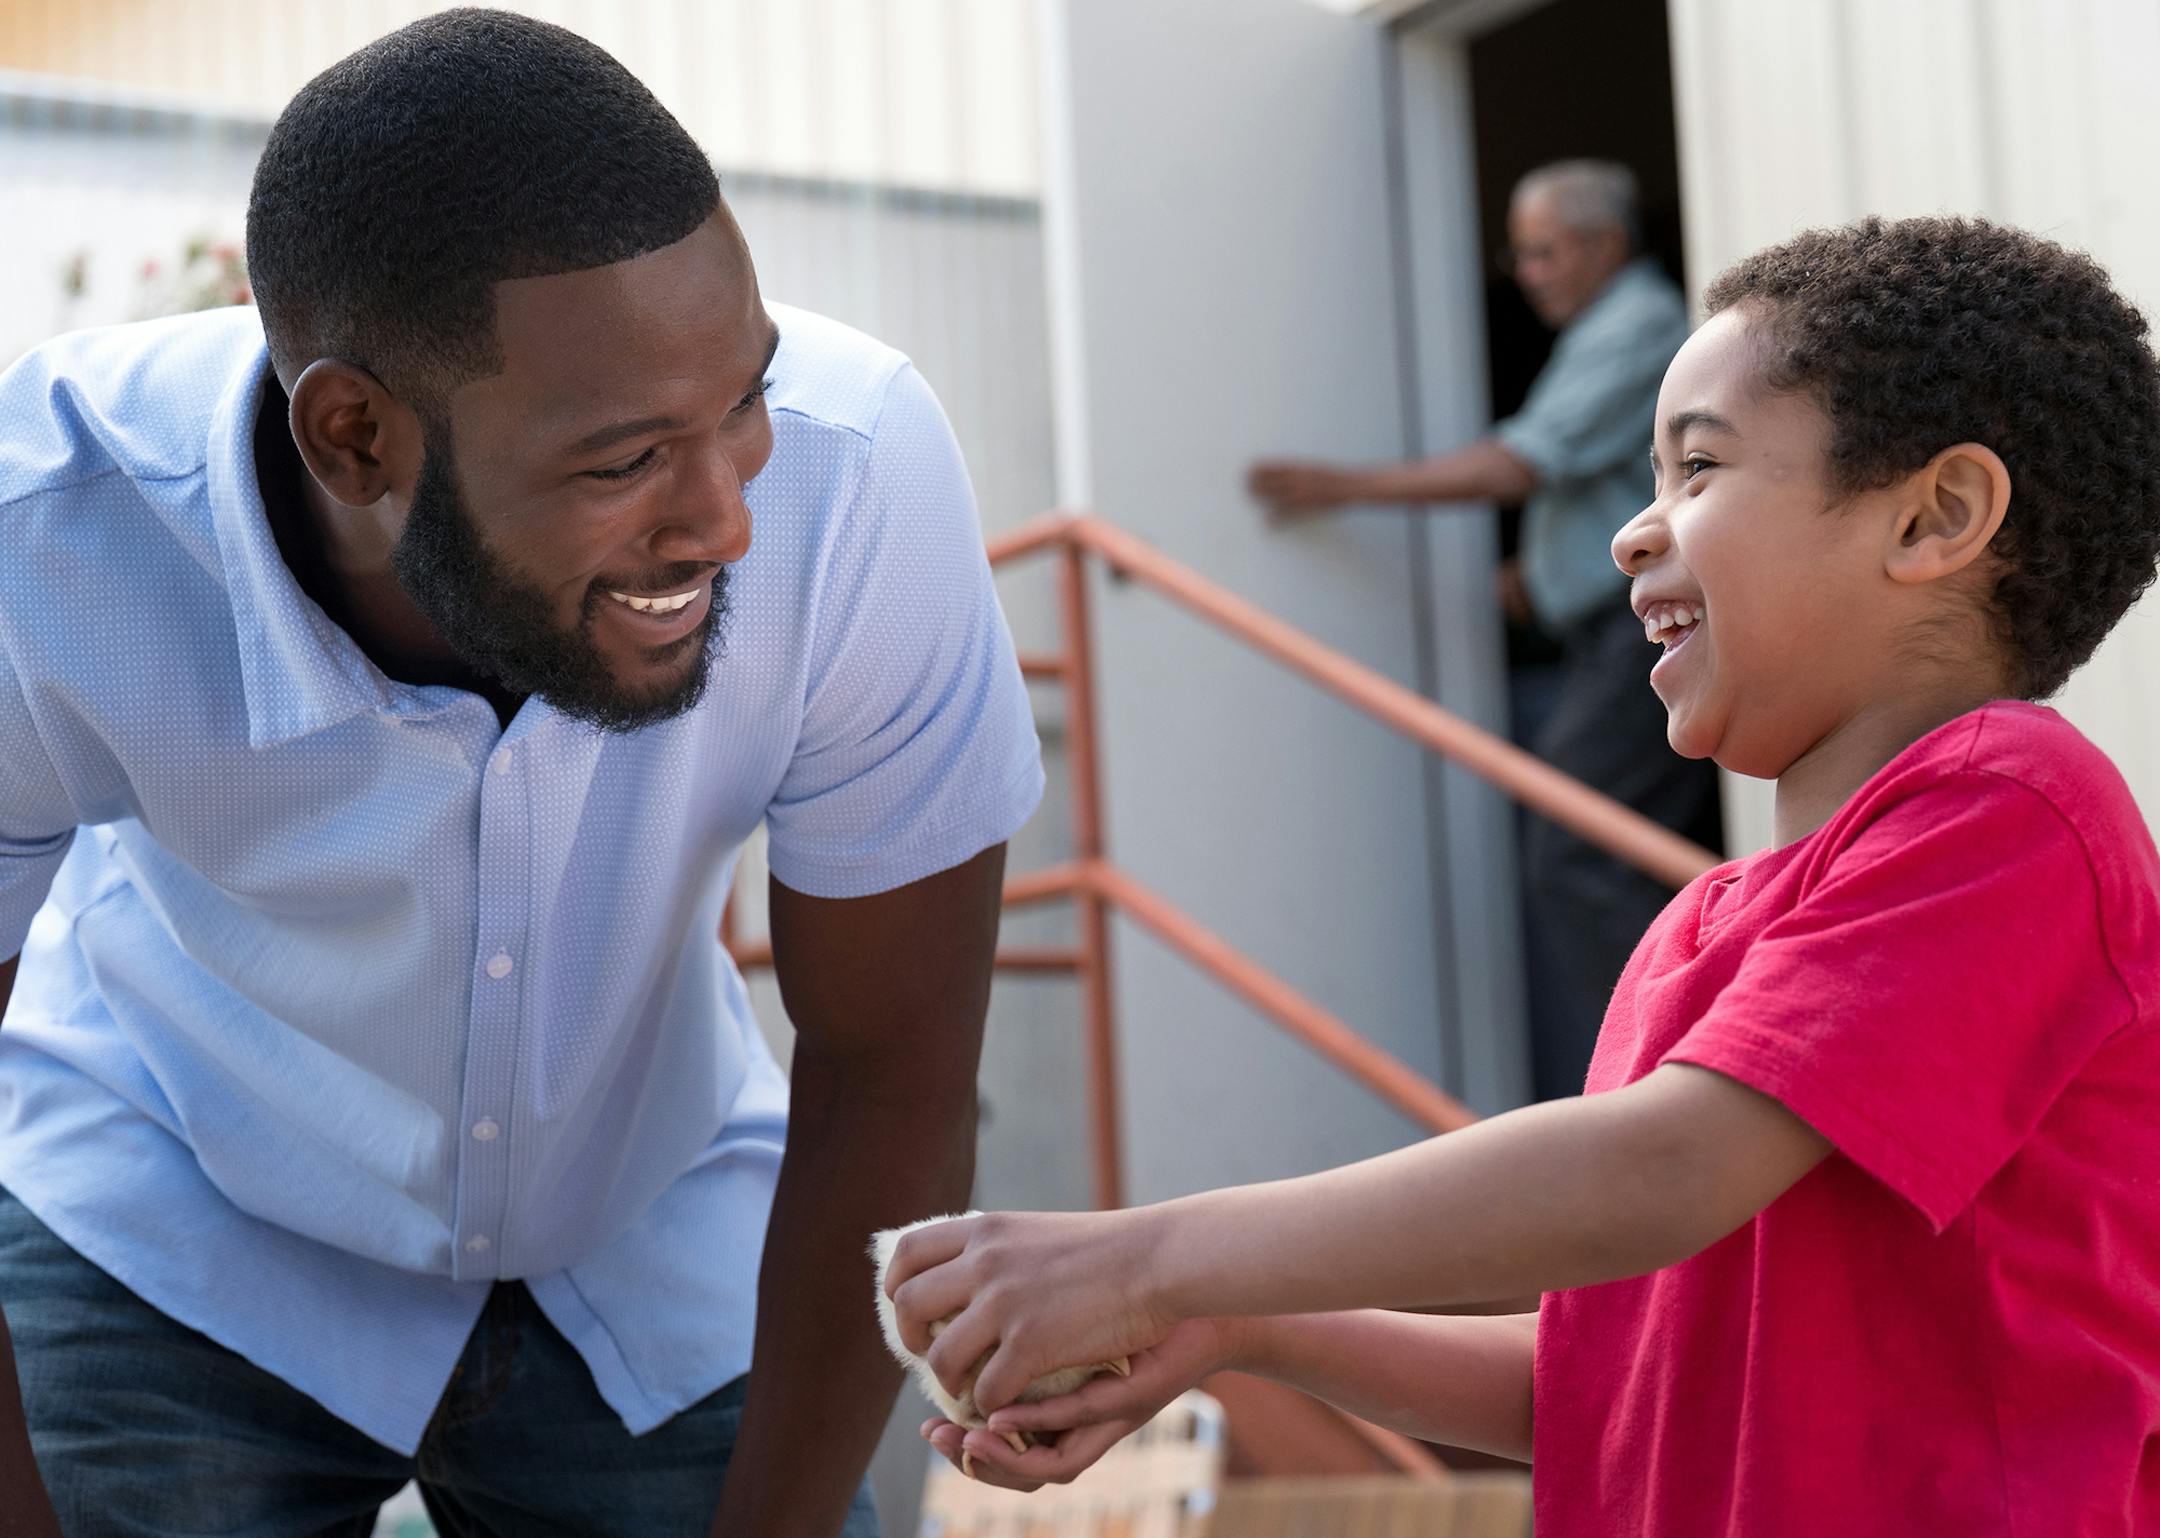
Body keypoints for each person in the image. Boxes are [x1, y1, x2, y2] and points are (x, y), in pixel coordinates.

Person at [888, 217, 2160, 1535]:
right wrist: (1226, 1317)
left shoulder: (2014, 810)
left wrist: (1148, 1256)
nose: (1632, 533)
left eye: (1698, 467)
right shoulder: (1695, 935)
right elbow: (1606, 1385)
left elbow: (1662, 1170)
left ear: (1935, 515)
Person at [0, 11, 1041, 1536]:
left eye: (741, 401)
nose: (728, 517)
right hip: (177, 1219)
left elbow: (894, 1066)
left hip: (644, 1225)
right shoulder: (48, 534)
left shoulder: (855, 467)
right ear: (354, 436)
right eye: (623, 462)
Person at [1249, 160, 1719, 1099]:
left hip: (1646, 638)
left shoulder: (1638, 326)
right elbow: (1598, 486)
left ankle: (1670, 1079)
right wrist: (1538, 575)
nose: (1527, 271)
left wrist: (1343, 489)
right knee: (1602, 847)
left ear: (1604, 245)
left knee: (1582, 853)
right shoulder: (1604, 329)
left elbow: (1522, 465)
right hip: (1596, 631)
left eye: (1544, 251)